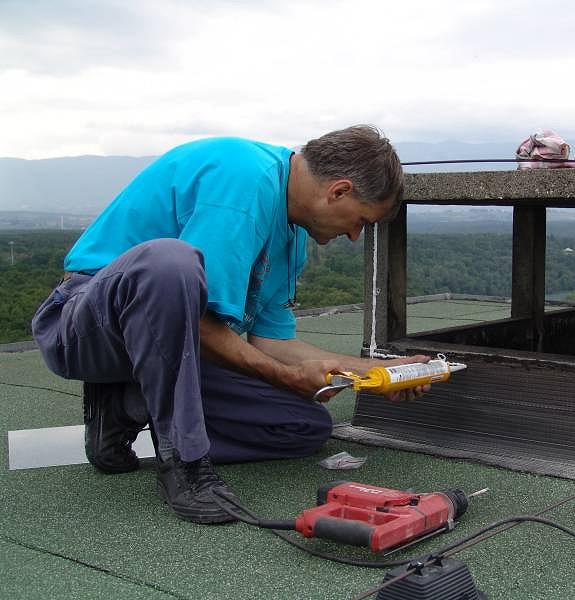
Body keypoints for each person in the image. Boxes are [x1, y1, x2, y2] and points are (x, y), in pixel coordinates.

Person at [31, 125, 429, 524]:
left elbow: (272, 343)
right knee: (170, 264)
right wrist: (286, 377)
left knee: (302, 426)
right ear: (338, 190)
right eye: (361, 220)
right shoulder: (244, 179)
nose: (355, 235)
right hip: (85, 323)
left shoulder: (292, 237)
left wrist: (380, 372)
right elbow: (199, 324)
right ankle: (185, 464)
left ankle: (127, 403)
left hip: (170, 351)